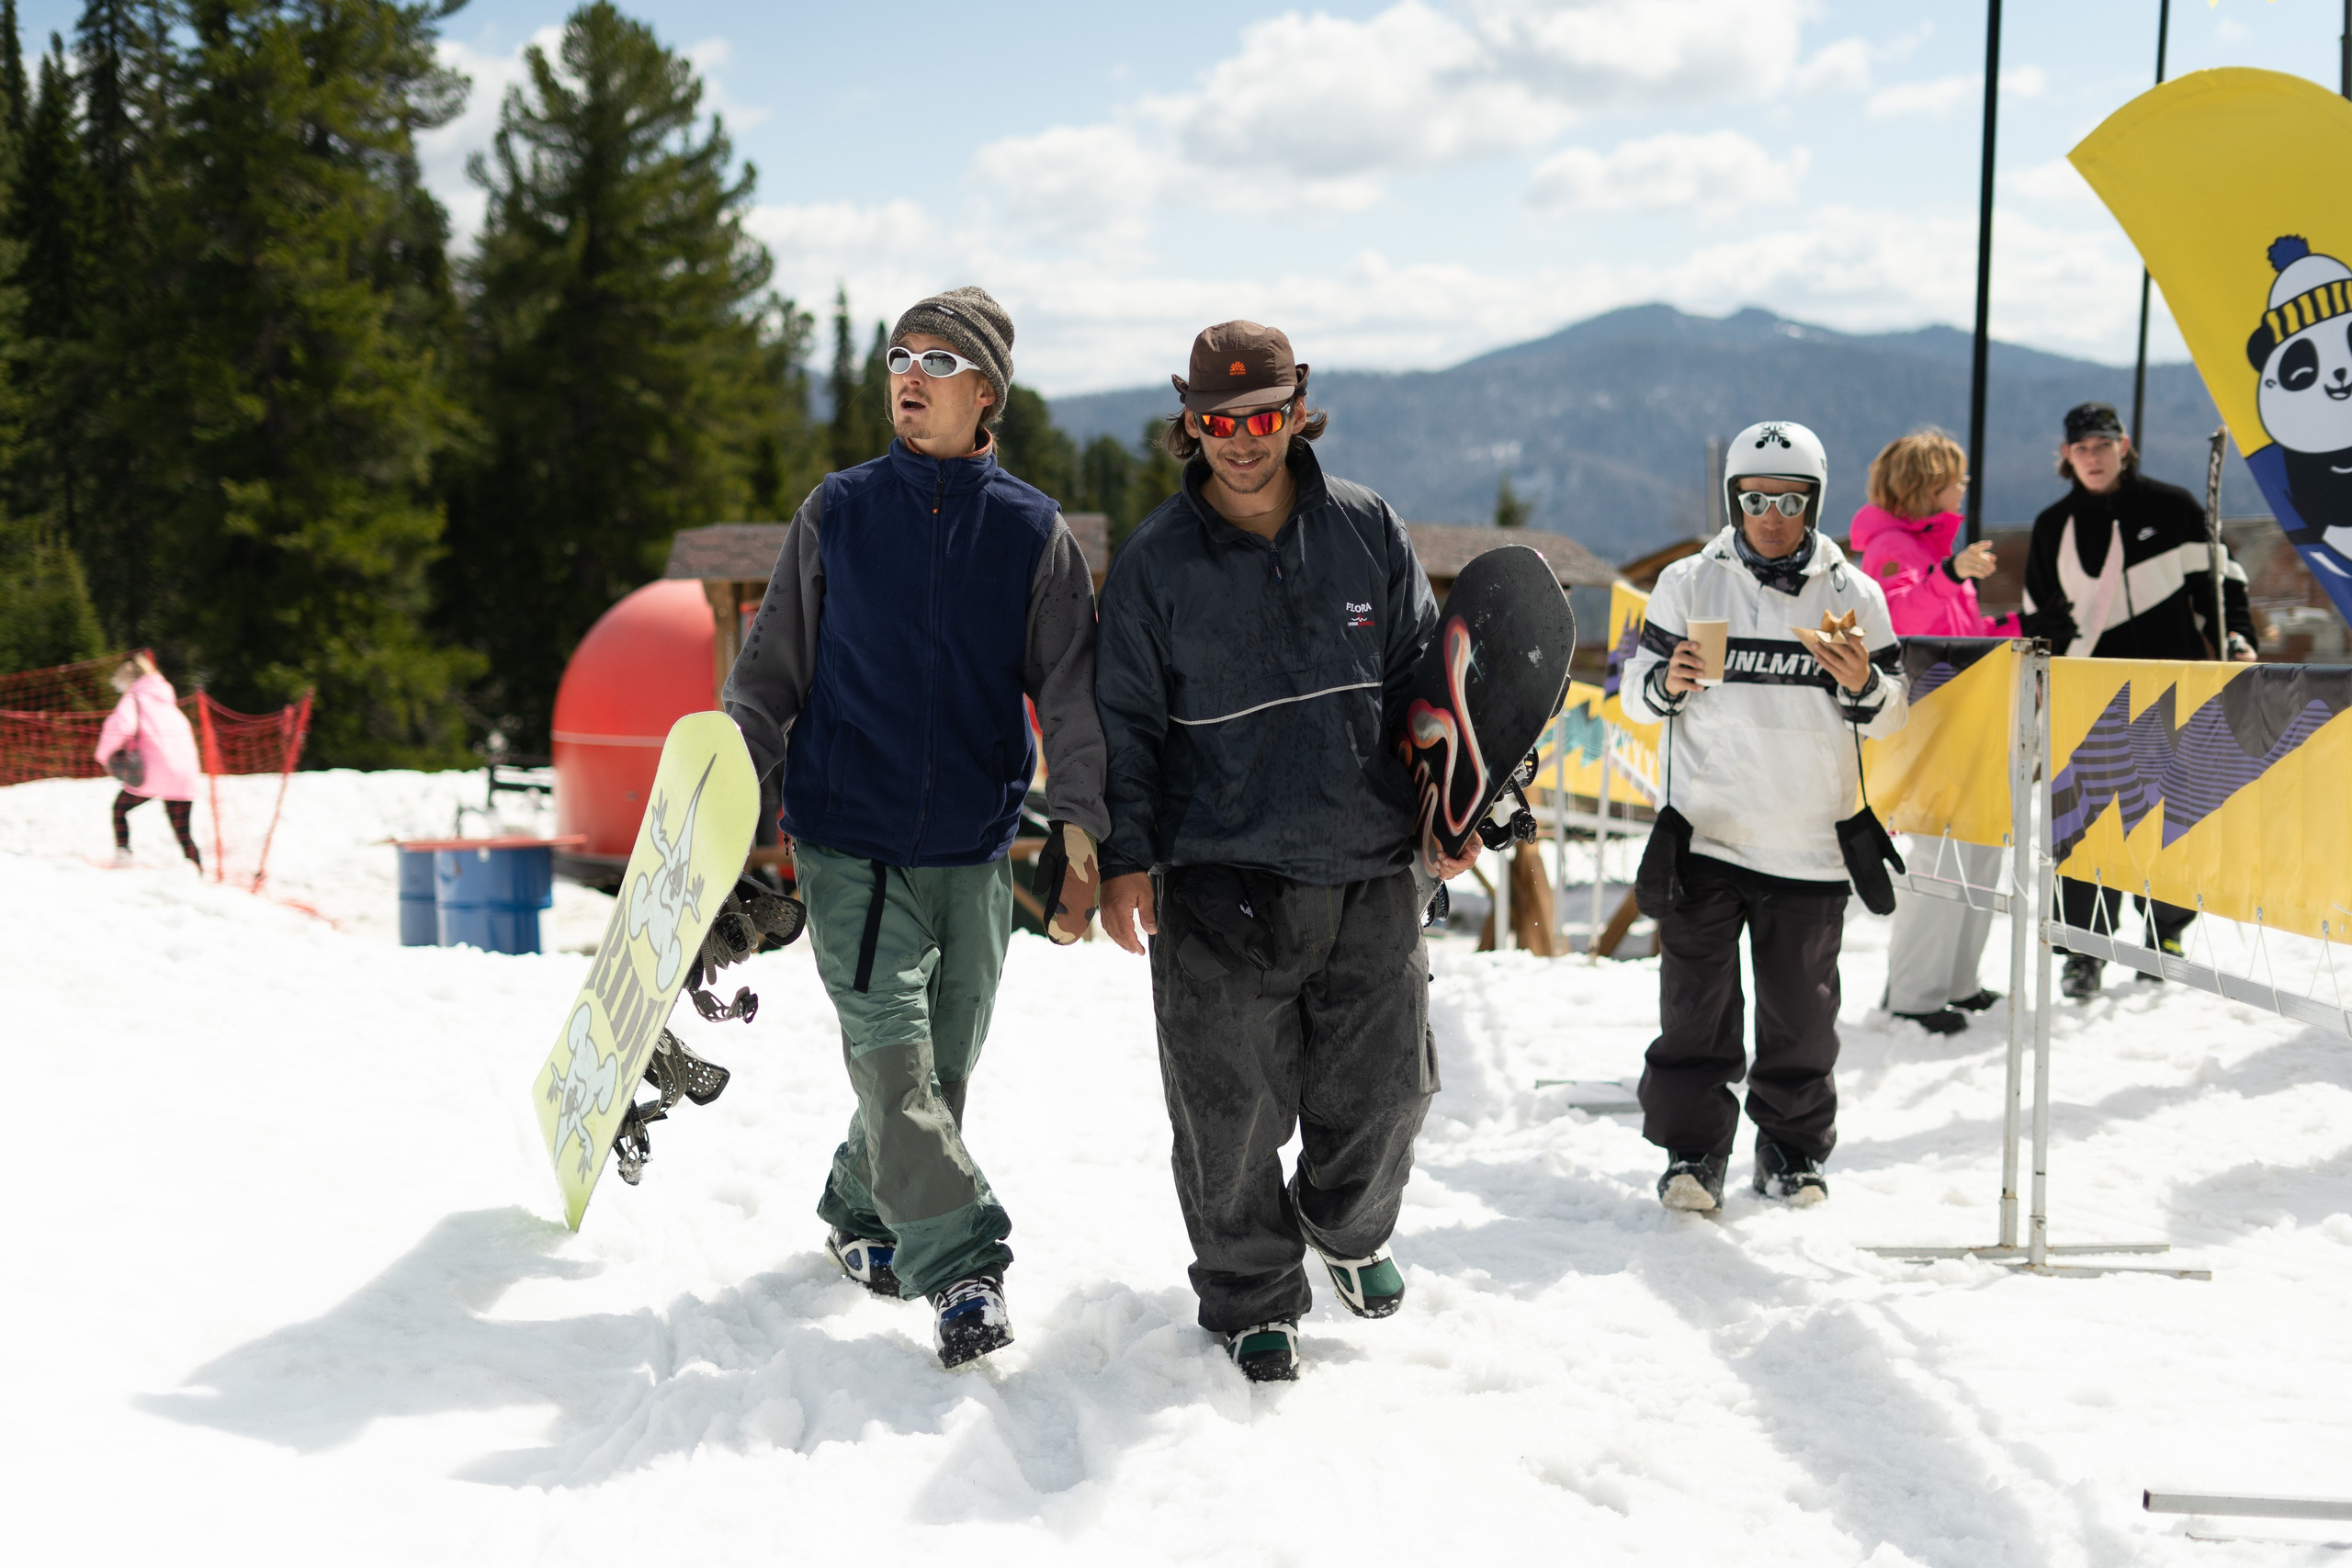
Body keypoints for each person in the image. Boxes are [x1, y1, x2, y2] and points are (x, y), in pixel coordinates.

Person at [721, 287, 1109, 1371]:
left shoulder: (1030, 531)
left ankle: (859, 1207)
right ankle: (964, 1271)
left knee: (940, 1077)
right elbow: (768, 677)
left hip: (974, 851)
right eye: (899, 355)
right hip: (847, 844)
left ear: (986, 393)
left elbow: (1072, 690)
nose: (909, 374)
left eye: (937, 362)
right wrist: (722, 802)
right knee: (895, 1070)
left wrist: (1081, 820)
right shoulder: (837, 513)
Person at [1094, 321, 1477, 1383]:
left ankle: (1344, 1225)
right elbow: (1124, 720)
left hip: (1367, 857)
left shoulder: (1365, 527)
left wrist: (1456, 797)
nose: (1243, 440)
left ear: (1297, 405)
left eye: (1263, 415)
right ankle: (1254, 1293)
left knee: (1391, 1090)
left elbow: (1420, 678)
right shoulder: (1156, 564)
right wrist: (1124, 856)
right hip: (1220, 870)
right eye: (1219, 421)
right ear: (1191, 423)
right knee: (1227, 1111)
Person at [1622, 420, 1908, 1213]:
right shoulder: (1688, 582)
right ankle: (1692, 1154)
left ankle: (1790, 1151)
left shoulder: (1854, 594)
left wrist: (1864, 687)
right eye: (1755, 499)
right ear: (1734, 500)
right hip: (1707, 832)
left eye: (1788, 500)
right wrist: (1667, 685)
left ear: (1813, 502)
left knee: (1802, 1025)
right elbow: (1634, 696)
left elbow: (1892, 715)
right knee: (1694, 1014)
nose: (1771, 515)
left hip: (1810, 843)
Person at [2019, 402, 2258, 1001]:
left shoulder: (2173, 507)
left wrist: (2237, 639)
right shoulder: (2054, 524)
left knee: (2167, 814)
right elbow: (2036, 613)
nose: (2093, 457)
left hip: (2170, 685)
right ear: (2067, 455)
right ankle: (2085, 950)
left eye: (2103, 445)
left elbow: (2222, 584)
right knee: (2085, 822)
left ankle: (2165, 937)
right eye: (2082, 449)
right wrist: (2044, 668)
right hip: (2087, 692)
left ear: (2123, 445)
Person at [1849, 429, 2016, 1035]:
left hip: (1966, 720)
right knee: (1940, 853)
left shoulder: (1940, 554)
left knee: (1979, 849)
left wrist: (2019, 625)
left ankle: (1957, 981)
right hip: (1927, 725)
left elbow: (1960, 631)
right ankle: (1916, 994)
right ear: (1926, 484)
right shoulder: (1892, 548)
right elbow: (1894, 619)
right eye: (1955, 477)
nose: (1964, 488)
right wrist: (1949, 572)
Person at [94, 652, 203, 871]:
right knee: (183, 831)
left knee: (119, 809)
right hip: (185, 772)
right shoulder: (166, 699)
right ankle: (198, 871)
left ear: (129, 681)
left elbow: (121, 727)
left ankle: (123, 856)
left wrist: (103, 755)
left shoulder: (134, 698)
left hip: (154, 770)